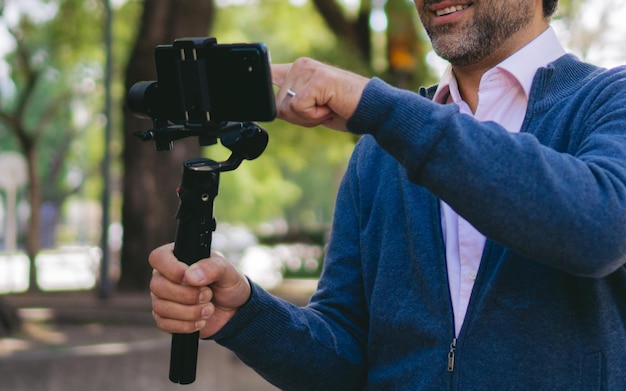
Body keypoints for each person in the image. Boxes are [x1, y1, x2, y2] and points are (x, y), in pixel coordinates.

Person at [149, 0, 626, 389]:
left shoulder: (609, 100)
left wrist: (375, 106)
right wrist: (246, 313)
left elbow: (600, 229)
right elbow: (346, 356)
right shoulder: (379, 151)